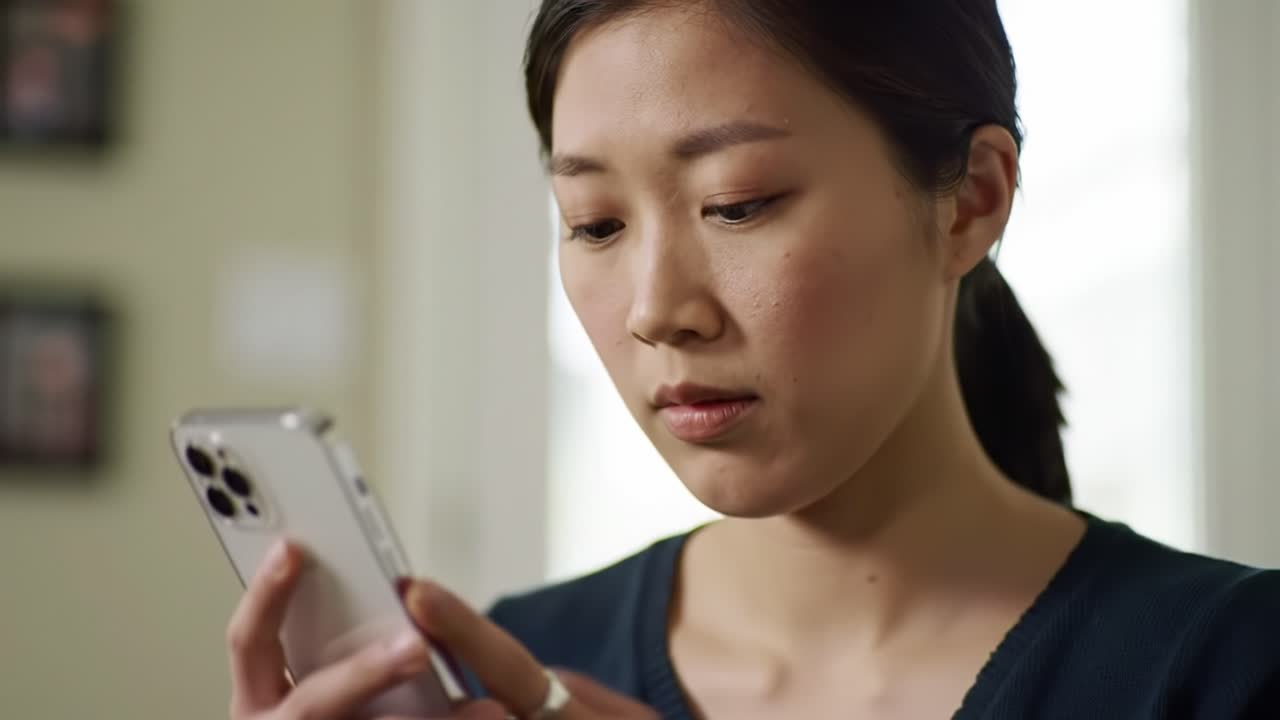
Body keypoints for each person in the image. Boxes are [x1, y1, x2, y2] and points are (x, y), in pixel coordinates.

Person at [222, 2, 1280, 718]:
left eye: (736, 204)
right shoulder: (518, 667)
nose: (653, 311)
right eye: (593, 223)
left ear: (969, 200)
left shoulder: (1227, 665)